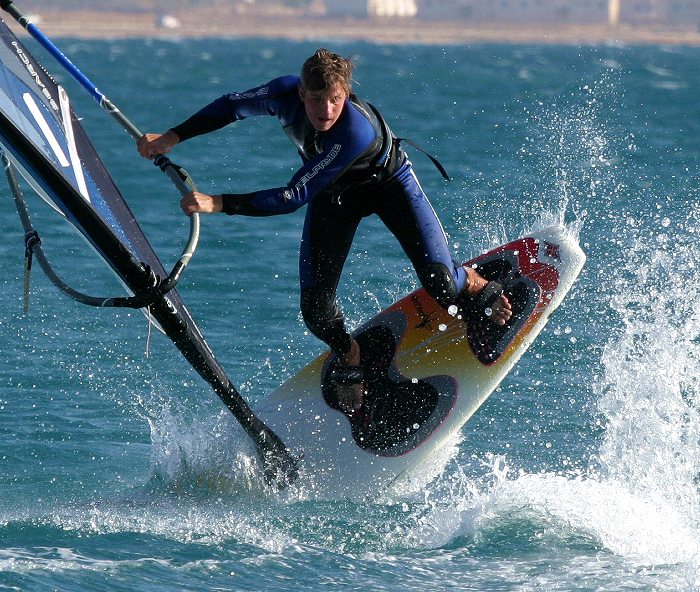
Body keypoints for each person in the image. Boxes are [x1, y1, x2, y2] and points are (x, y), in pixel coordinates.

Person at [137, 48, 512, 416]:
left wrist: (218, 202)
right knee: (316, 312)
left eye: (335, 100)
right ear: (301, 93)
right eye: (316, 99)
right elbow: (229, 106)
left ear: (345, 94)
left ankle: (477, 284)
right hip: (334, 197)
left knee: (440, 282)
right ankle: (350, 352)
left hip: (390, 186)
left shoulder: (353, 131)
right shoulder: (282, 94)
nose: (326, 110)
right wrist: (172, 137)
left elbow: (293, 195)